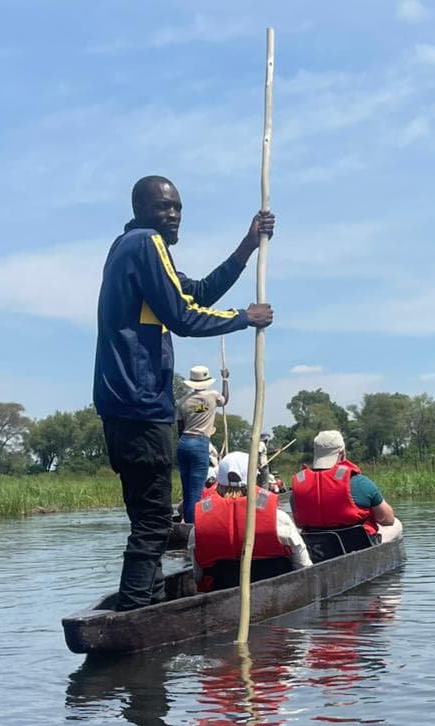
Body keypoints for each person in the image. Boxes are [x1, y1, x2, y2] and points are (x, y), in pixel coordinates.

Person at [93, 174, 274, 610]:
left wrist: (247, 247)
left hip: (122, 406)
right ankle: (138, 610)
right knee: (154, 521)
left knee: (147, 519)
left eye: (176, 208)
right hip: (140, 404)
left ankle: (149, 605)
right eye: (163, 207)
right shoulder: (145, 243)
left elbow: (193, 293)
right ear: (140, 210)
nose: (172, 216)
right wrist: (242, 318)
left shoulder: (132, 251)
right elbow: (184, 316)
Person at [191, 451, 312, 592]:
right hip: (278, 591)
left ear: (219, 483)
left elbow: (198, 576)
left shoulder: (199, 528)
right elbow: (303, 564)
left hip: (223, 589)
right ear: (254, 479)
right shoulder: (278, 518)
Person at [291, 429, 402, 557]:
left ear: (316, 455)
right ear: (343, 454)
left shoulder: (298, 488)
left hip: (318, 551)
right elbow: (388, 520)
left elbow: (298, 523)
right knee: (397, 524)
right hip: (359, 547)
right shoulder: (359, 482)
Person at [177, 363, 228, 524]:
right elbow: (225, 400)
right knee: (196, 491)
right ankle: (193, 525)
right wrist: (225, 379)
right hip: (199, 443)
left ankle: (186, 519)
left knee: (186, 488)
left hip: (184, 443)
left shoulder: (183, 402)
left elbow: (180, 428)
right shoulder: (212, 396)